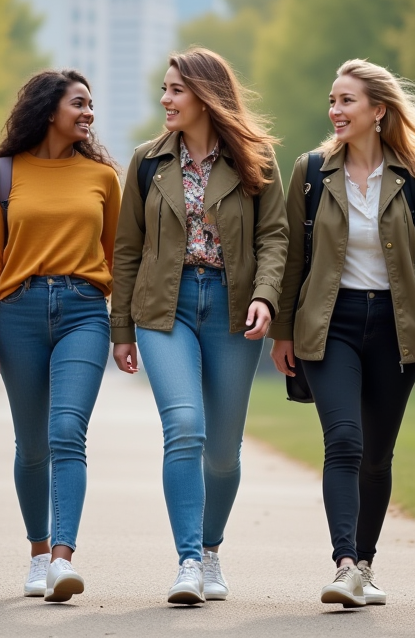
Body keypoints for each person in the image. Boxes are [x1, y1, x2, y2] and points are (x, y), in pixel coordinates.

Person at [270, 59, 415, 608]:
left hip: (399, 327)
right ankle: (344, 563)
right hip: (331, 324)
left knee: (377, 455)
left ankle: (366, 565)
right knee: (345, 441)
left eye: (347, 100)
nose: (335, 110)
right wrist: (283, 332)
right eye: (333, 101)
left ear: (378, 110)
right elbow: (292, 257)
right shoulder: (310, 171)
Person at [111, 47, 288, 605]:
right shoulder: (146, 161)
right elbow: (126, 249)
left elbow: (275, 237)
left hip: (235, 308)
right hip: (166, 307)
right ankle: (188, 560)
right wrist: (121, 329)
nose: (165, 100)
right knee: (185, 426)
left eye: (175, 91)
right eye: (165, 89)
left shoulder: (255, 158)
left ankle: (211, 551)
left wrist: (265, 297)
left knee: (224, 451)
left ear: (205, 96)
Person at [0, 69, 121, 603]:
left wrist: (120, 326)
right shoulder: (4, 174)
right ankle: (37, 554)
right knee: (32, 444)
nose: (88, 113)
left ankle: (62, 558)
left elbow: (117, 257)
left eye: (91, 105)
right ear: (48, 109)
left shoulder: (103, 177)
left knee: (66, 432)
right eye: (79, 103)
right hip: (20, 315)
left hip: (84, 311)